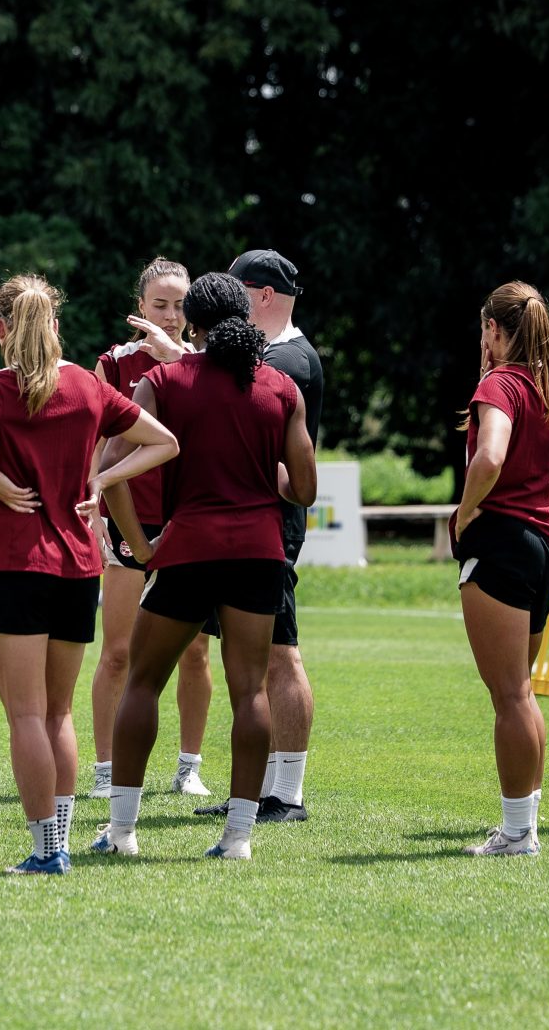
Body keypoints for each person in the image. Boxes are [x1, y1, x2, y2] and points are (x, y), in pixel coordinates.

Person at [0, 274, 178, 875]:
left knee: (26, 716)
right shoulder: (88, 387)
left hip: (15, 562)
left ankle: (46, 851)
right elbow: (164, 442)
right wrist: (102, 482)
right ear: (56, 327)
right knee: (59, 713)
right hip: (78, 564)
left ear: (2, 329)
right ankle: (56, 842)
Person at [92, 271, 315, 862]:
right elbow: (305, 489)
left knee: (141, 682)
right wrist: (259, 471)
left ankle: (121, 831)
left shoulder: (164, 379)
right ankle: (238, 838)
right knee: (249, 693)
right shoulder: (280, 387)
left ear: (192, 323)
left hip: (187, 549)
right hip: (259, 553)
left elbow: (111, 468)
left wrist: (139, 547)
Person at [196, 249, 323, 823]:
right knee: (254, 660)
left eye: (236, 292)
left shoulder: (288, 362)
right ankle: (261, 784)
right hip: (251, 524)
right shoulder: (275, 354)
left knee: (280, 654)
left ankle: (287, 792)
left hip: (271, 527)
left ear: (262, 296)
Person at [452, 283, 549, 856]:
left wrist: (467, 509)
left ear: (496, 330)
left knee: (509, 695)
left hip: (503, 539)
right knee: (521, 692)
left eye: (484, 329)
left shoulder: (499, 383)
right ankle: (525, 820)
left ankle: (517, 833)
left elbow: (492, 454)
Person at [87, 258, 216, 801]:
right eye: (159, 304)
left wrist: (182, 360)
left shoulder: (210, 362)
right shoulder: (113, 364)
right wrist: (92, 504)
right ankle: (104, 770)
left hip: (189, 517)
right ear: (139, 306)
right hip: (126, 517)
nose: (169, 315)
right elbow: (93, 442)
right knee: (118, 651)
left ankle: (189, 766)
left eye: (180, 305)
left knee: (195, 652)